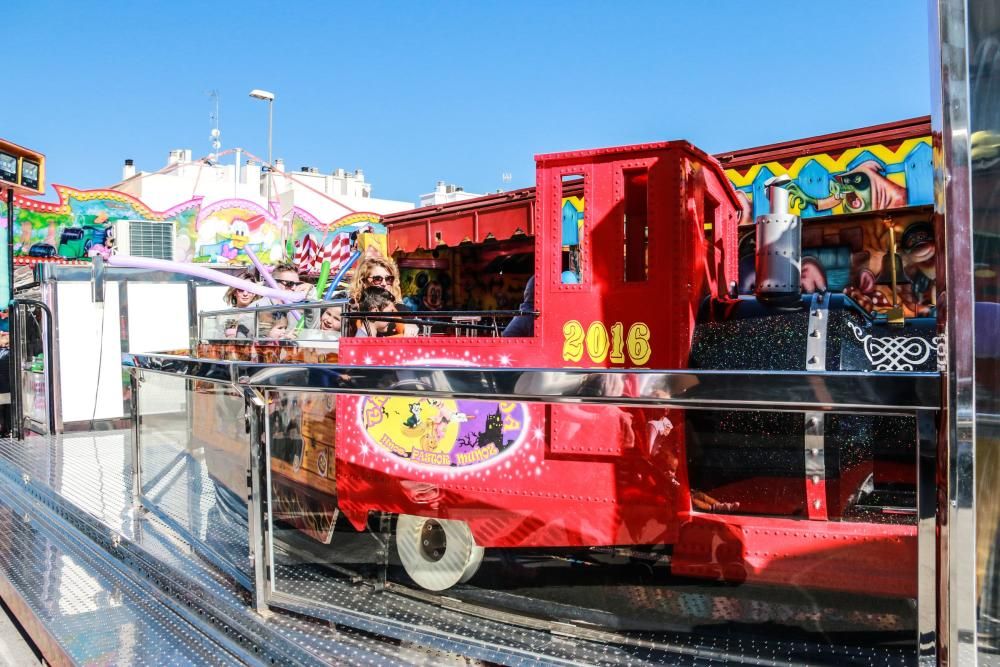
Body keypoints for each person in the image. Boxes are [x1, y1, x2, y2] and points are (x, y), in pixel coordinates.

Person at [222, 269, 260, 338]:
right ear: (234, 292)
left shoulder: (259, 315)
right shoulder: (224, 316)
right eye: (241, 290)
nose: (245, 294)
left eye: (249, 290)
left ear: (254, 293)